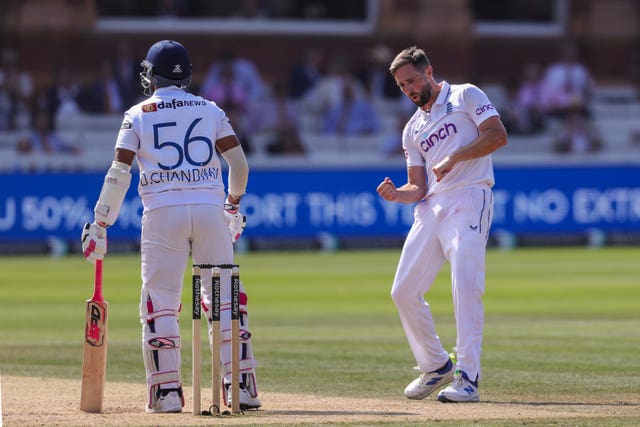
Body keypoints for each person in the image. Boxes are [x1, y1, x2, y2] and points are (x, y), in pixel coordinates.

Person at [80, 40, 261, 413]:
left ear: (151, 75)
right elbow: (239, 167)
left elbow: (120, 173)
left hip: (163, 214)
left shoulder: (138, 114)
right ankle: (241, 388)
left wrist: (101, 222)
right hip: (211, 211)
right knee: (225, 300)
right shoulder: (210, 109)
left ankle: (166, 395)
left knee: (161, 302)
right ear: (187, 74)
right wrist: (232, 206)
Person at [376, 46, 507, 403]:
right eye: (402, 86)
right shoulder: (412, 128)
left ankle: (468, 375)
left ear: (429, 71)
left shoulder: (465, 95)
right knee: (402, 291)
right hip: (431, 208)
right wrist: (396, 194)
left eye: (412, 80)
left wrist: (455, 156)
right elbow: (417, 187)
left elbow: (497, 135)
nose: (408, 90)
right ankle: (436, 366)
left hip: (469, 196)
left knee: (465, 283)